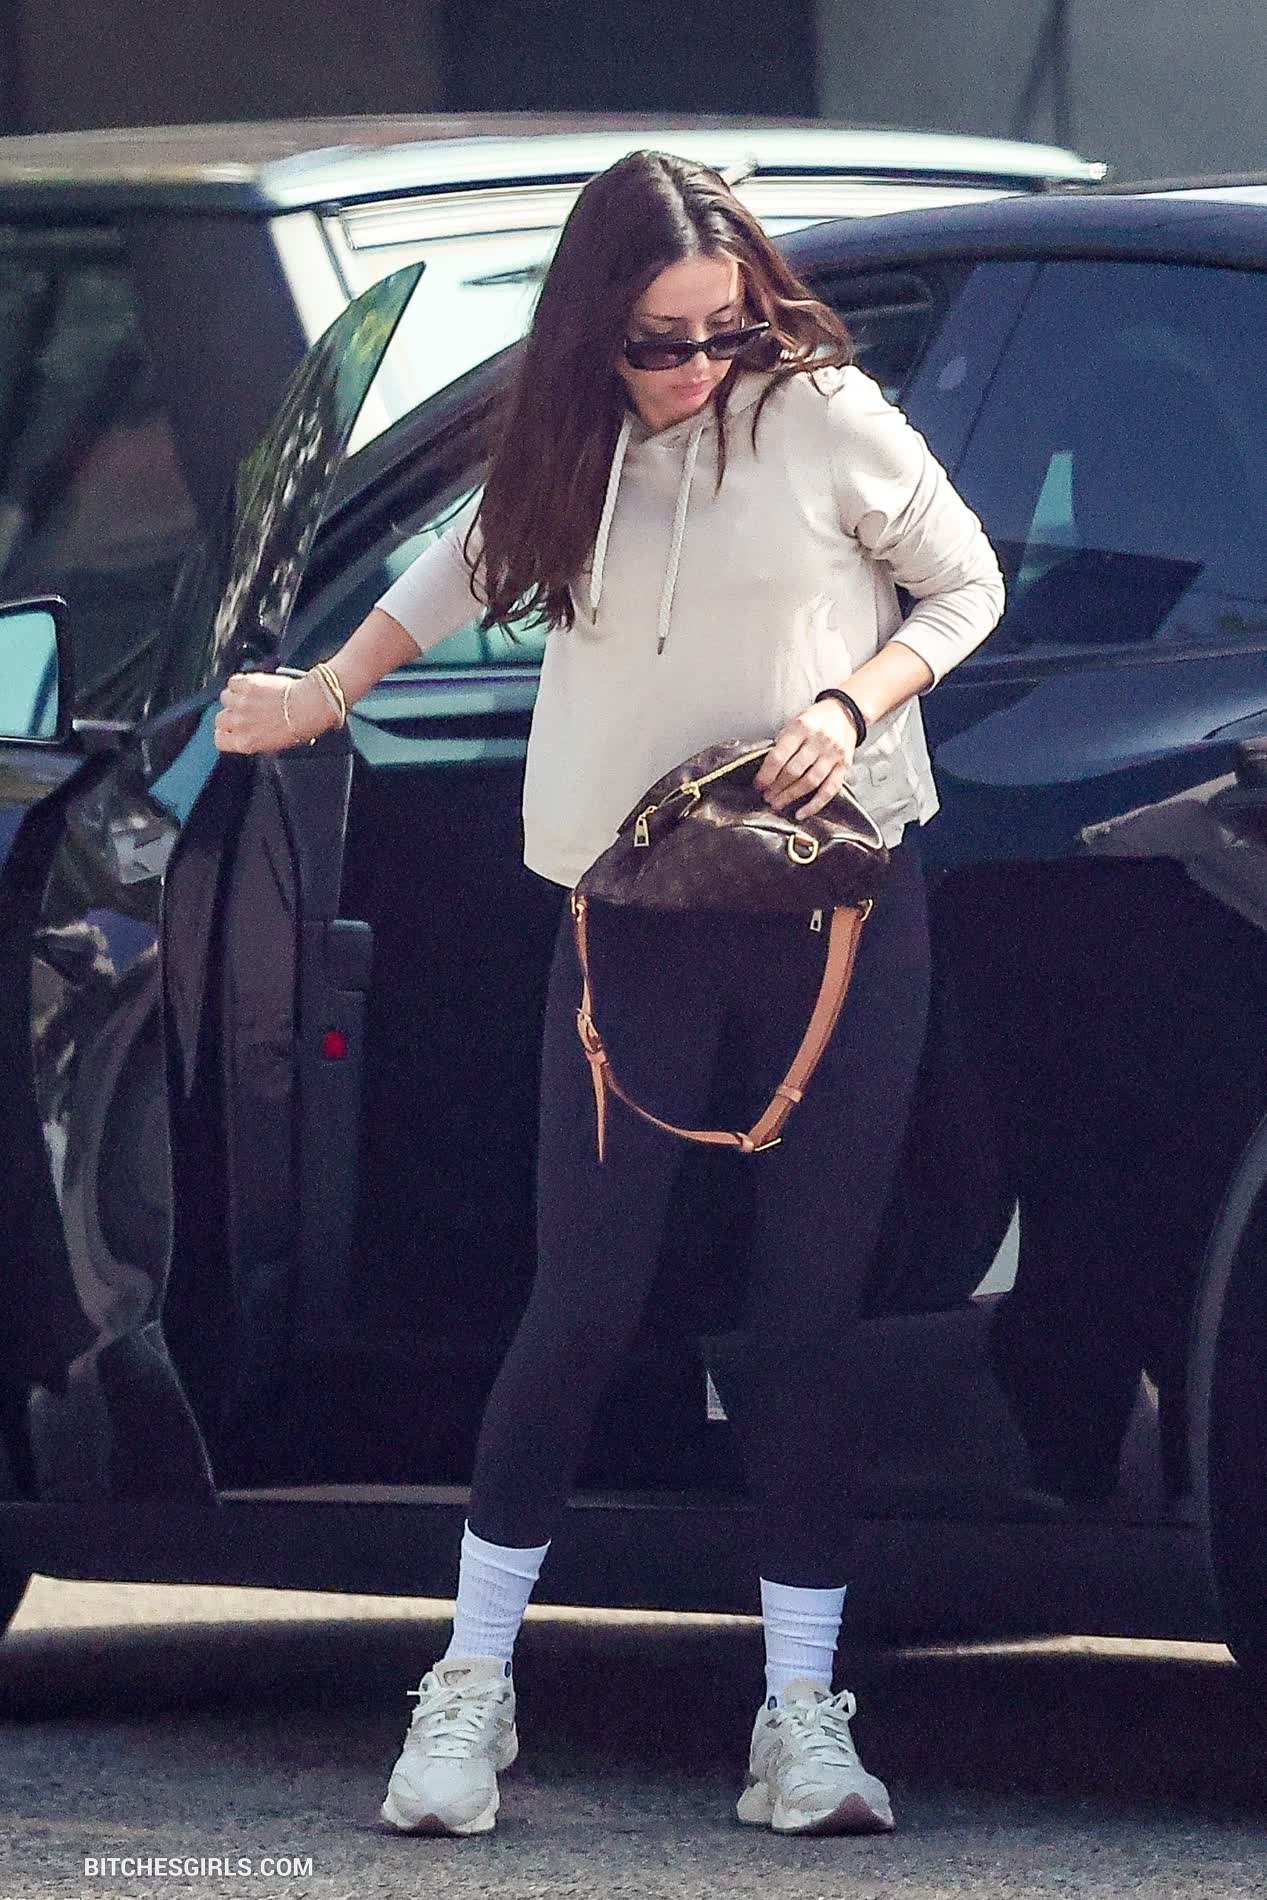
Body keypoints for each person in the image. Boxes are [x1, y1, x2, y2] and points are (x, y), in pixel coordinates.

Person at [214, 149, 1005, 1841]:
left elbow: (967, 583)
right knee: (579, 1303)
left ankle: (804, 1718)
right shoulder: (565, 446)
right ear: (595, 330)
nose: (699, 366)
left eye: (725, 331)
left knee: (803, 1319)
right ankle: (467, 1694)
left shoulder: (822, 416)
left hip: (836, 920)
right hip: (631, 918)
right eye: (661, 340)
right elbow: (457, 567)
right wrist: (325, 691)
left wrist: (853, 703)